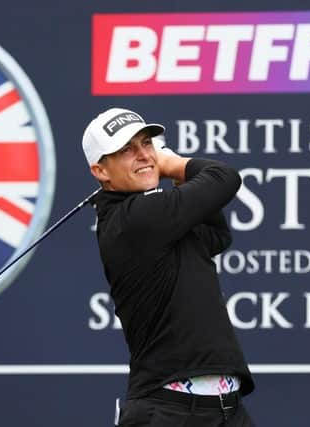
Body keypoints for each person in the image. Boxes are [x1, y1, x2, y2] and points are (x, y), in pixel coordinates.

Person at [82, 108, 255, 427]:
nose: (143, 154)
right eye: (126, 149)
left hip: (225, 410)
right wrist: (172, 164)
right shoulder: (134, 219)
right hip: (169, 413)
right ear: (101, 171)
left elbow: (216, 236)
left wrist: (174, 174)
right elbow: (224, 177)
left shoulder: (153, 219)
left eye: (147, 143)